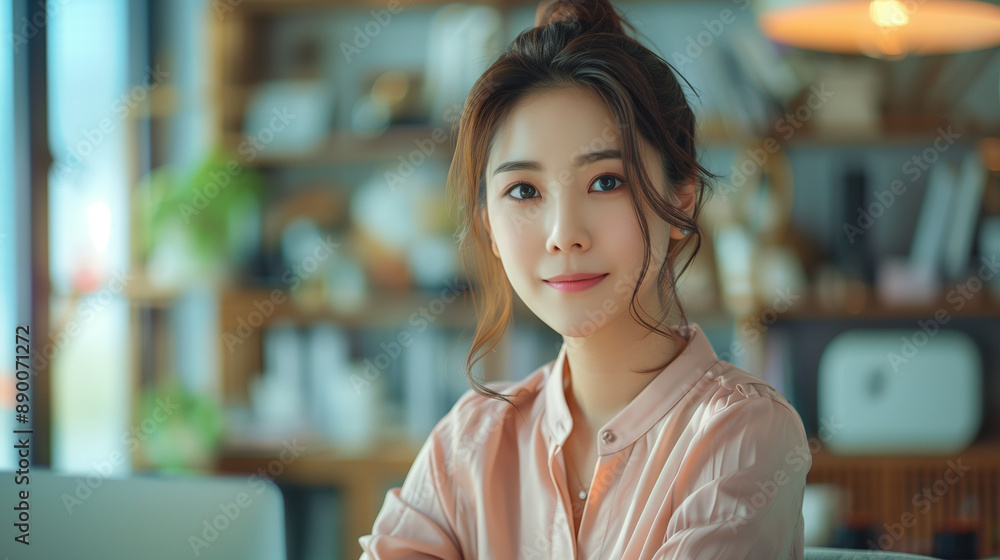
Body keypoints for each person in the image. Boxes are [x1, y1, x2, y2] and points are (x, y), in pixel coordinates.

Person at [359, 0, 811, 558]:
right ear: (489, 230)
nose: (563, 234)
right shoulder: (469, 441)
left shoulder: (742, 433)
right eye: (524, 190)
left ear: (681, 198)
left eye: (605, 182)